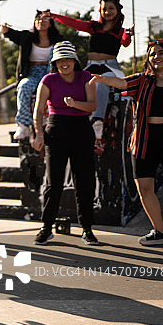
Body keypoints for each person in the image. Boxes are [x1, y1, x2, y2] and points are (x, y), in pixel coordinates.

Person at [89, 40, 163, 247]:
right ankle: (160, 232)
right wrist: (103, 78)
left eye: (161, 53)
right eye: (152, 54)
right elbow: (121, 83)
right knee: (145, 188)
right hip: (144, 140)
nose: (156, 57)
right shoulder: (142, 80)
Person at [31, 41, 98, 246]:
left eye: (67, 59)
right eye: (60, 60)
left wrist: (75, 103)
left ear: (74, 60)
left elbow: (92, 106)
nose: (64, 63)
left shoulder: (86, 77)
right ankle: (46, 228)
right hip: (56, 130)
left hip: (81, 130)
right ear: (54, 62)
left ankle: (87, 229)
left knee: (84, 181)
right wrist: (39, 135)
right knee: (54, 182)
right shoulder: (48, 80)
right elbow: (38, 111)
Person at [53, 0, 133, 141]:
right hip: (91, 65)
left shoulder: (120, 31)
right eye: (104, 9)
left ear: (117, 10)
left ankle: (98, 121)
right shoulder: (93, 27)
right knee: (76, 81)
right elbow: (74, 23)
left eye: (111, 8)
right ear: (100, 10)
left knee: (102, 82)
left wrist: (128, 35)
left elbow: (125, 42)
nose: (107, 11)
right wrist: (54, 16)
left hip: (110, 66)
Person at [1, 9, 63, 140]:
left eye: (45, 19)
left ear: (51, 23)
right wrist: (5, 29)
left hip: (51, 73)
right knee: (24, 86)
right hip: (32, 72)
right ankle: (23, 124)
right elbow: (11, 34)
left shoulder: (58, 40)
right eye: (38, 19)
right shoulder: (27, 37)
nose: (41, 22)